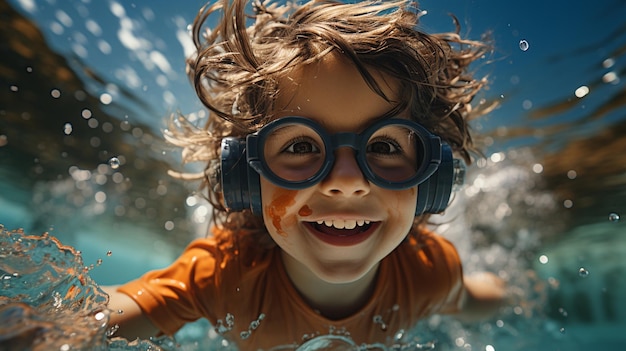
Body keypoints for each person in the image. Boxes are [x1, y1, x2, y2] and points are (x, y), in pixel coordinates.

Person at [104, 0, 506, 349]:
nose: (346, 180)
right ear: (243, 173)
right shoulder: (224, 276)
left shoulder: (428, 271)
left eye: (383, 147)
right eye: (301, 147)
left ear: (429, 178)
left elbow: (483, 300)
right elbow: (88, 319)